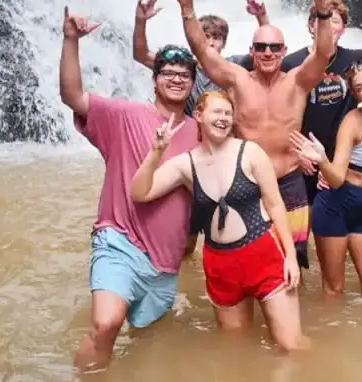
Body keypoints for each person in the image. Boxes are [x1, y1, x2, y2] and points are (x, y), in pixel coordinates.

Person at [59, 5, 199, 372]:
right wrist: (70, 40)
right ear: (154, 80)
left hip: (165, 259)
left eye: (184, 74)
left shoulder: (202, 130)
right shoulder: (123, 115)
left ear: (192, 82)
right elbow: (73, 95)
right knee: (106, 325)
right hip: (118, 239)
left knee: (147, 343)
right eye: (167, 73)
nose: (176, 79)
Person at [174, 0, 336, 269]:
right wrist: (187, 8)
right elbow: (201, 49)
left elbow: (323, 53)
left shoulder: (298, 81)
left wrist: (324, 13)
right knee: (243, 257)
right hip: (245, 180)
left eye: (275, 47)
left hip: (289, 180)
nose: (268, 52)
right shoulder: (236, 80)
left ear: (284, 50)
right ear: (251, 49)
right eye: (261, 47)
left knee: (293, 261)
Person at [130, 91, 304, 349]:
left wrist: (291, 257)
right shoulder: (185, 164)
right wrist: (156, 151)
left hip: (264, 253)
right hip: (221, 264)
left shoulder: (250, 152)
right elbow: (140, 193)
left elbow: (276, 205)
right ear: (199, 116)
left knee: (292, 346)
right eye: (217, 112)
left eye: (228, 113)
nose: (223, 119)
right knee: (235, 349)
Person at [289, 59, 362, 296]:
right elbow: (337, 179)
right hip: (334, 206)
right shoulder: (353, 121)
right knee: (334, 289)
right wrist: (322, 160)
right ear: (355, 94)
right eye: (360, 87)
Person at [281, 0, 362, 206]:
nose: (329, 27)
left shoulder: (356, 59)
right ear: (312, 26)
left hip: (340, 158)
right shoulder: (291, 63)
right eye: (324, 20)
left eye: (335, 21)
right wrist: (294, 154)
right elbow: (277, 114)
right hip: (302, 157)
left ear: (344, 29)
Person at [132, 0, 268, 115]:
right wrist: (140, 21)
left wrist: (261, 17)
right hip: (187, 131)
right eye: (206, 37)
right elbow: (141, 55)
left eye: (217, 38)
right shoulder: (182, 65)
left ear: (224, 43)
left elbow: (266, 56)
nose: (211, 43)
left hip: (223, 130)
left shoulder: (234, 65)